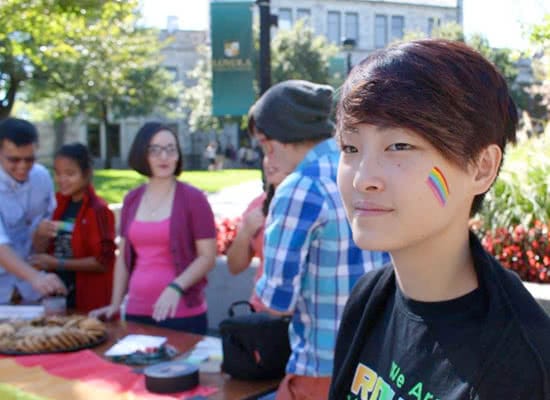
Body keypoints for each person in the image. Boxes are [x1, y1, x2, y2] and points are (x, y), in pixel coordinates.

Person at [330, 39, 550, 399]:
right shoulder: (369, 298)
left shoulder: (520, 365)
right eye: (350, 148)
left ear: (481, 168)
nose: (361, 178)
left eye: (399, 146)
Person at [250, 80, 390, 399]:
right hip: (376, 364)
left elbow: (276, 301)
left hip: (321, 369)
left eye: (263, 144)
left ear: (274, 140)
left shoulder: (300, 187)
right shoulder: (363, 171)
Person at [91, 122, 217, 334]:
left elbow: (207, 257)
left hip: (181, 314)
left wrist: (176, 287)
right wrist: (115, 304)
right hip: (136, 312)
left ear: (178, 155)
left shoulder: (193, 199)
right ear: (143, 154)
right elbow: (123, 257)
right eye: (155, 150)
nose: (164, 157)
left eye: (170, 149)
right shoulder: (132, 199)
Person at [29, 143, 116, 313]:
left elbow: (103, 261)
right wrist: (39, 234)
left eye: (70, 174)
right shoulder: (57, 204)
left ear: (87, 174)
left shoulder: (98, 210)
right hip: (59, 295)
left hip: (88, 297)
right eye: (58, 173)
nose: (62, 179)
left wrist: (58, 263)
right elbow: (42, 250)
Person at [0, 117, 66, 303]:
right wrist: (35, 277)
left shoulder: (42, 177)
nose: (22, 167)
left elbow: (41, 244)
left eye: (29, 159)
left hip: (32, 290)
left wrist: (40, 234)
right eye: (14, 160)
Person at [226, 127, 292, 312]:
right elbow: (234, 266)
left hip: (298, 315)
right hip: (261, 311)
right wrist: (246, 231)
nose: (269, 162)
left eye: (277, 154)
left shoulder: (310, 201)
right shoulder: (257, 205)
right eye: (266, 154)